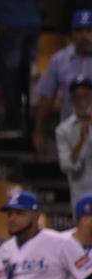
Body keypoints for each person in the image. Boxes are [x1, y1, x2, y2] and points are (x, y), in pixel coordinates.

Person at [34, 9, 92, 153]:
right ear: (72, 33)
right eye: (80, 30)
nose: (85, 35)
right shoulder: (59, 60)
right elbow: (46, 98)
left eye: (89, 30)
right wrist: (39, 132)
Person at [0, 0, 40, 131]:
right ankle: (31, 126)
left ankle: (13, 125)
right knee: (29, 77)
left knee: (11, 78)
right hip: (32, 20)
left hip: (10, 23)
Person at [58, 76, 92, 212]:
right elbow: (68, 166)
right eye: (77, 96)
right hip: (81, 201)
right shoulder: (63, 130)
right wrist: (81, 141)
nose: (82, 100)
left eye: (86, 95)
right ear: (71, 99)